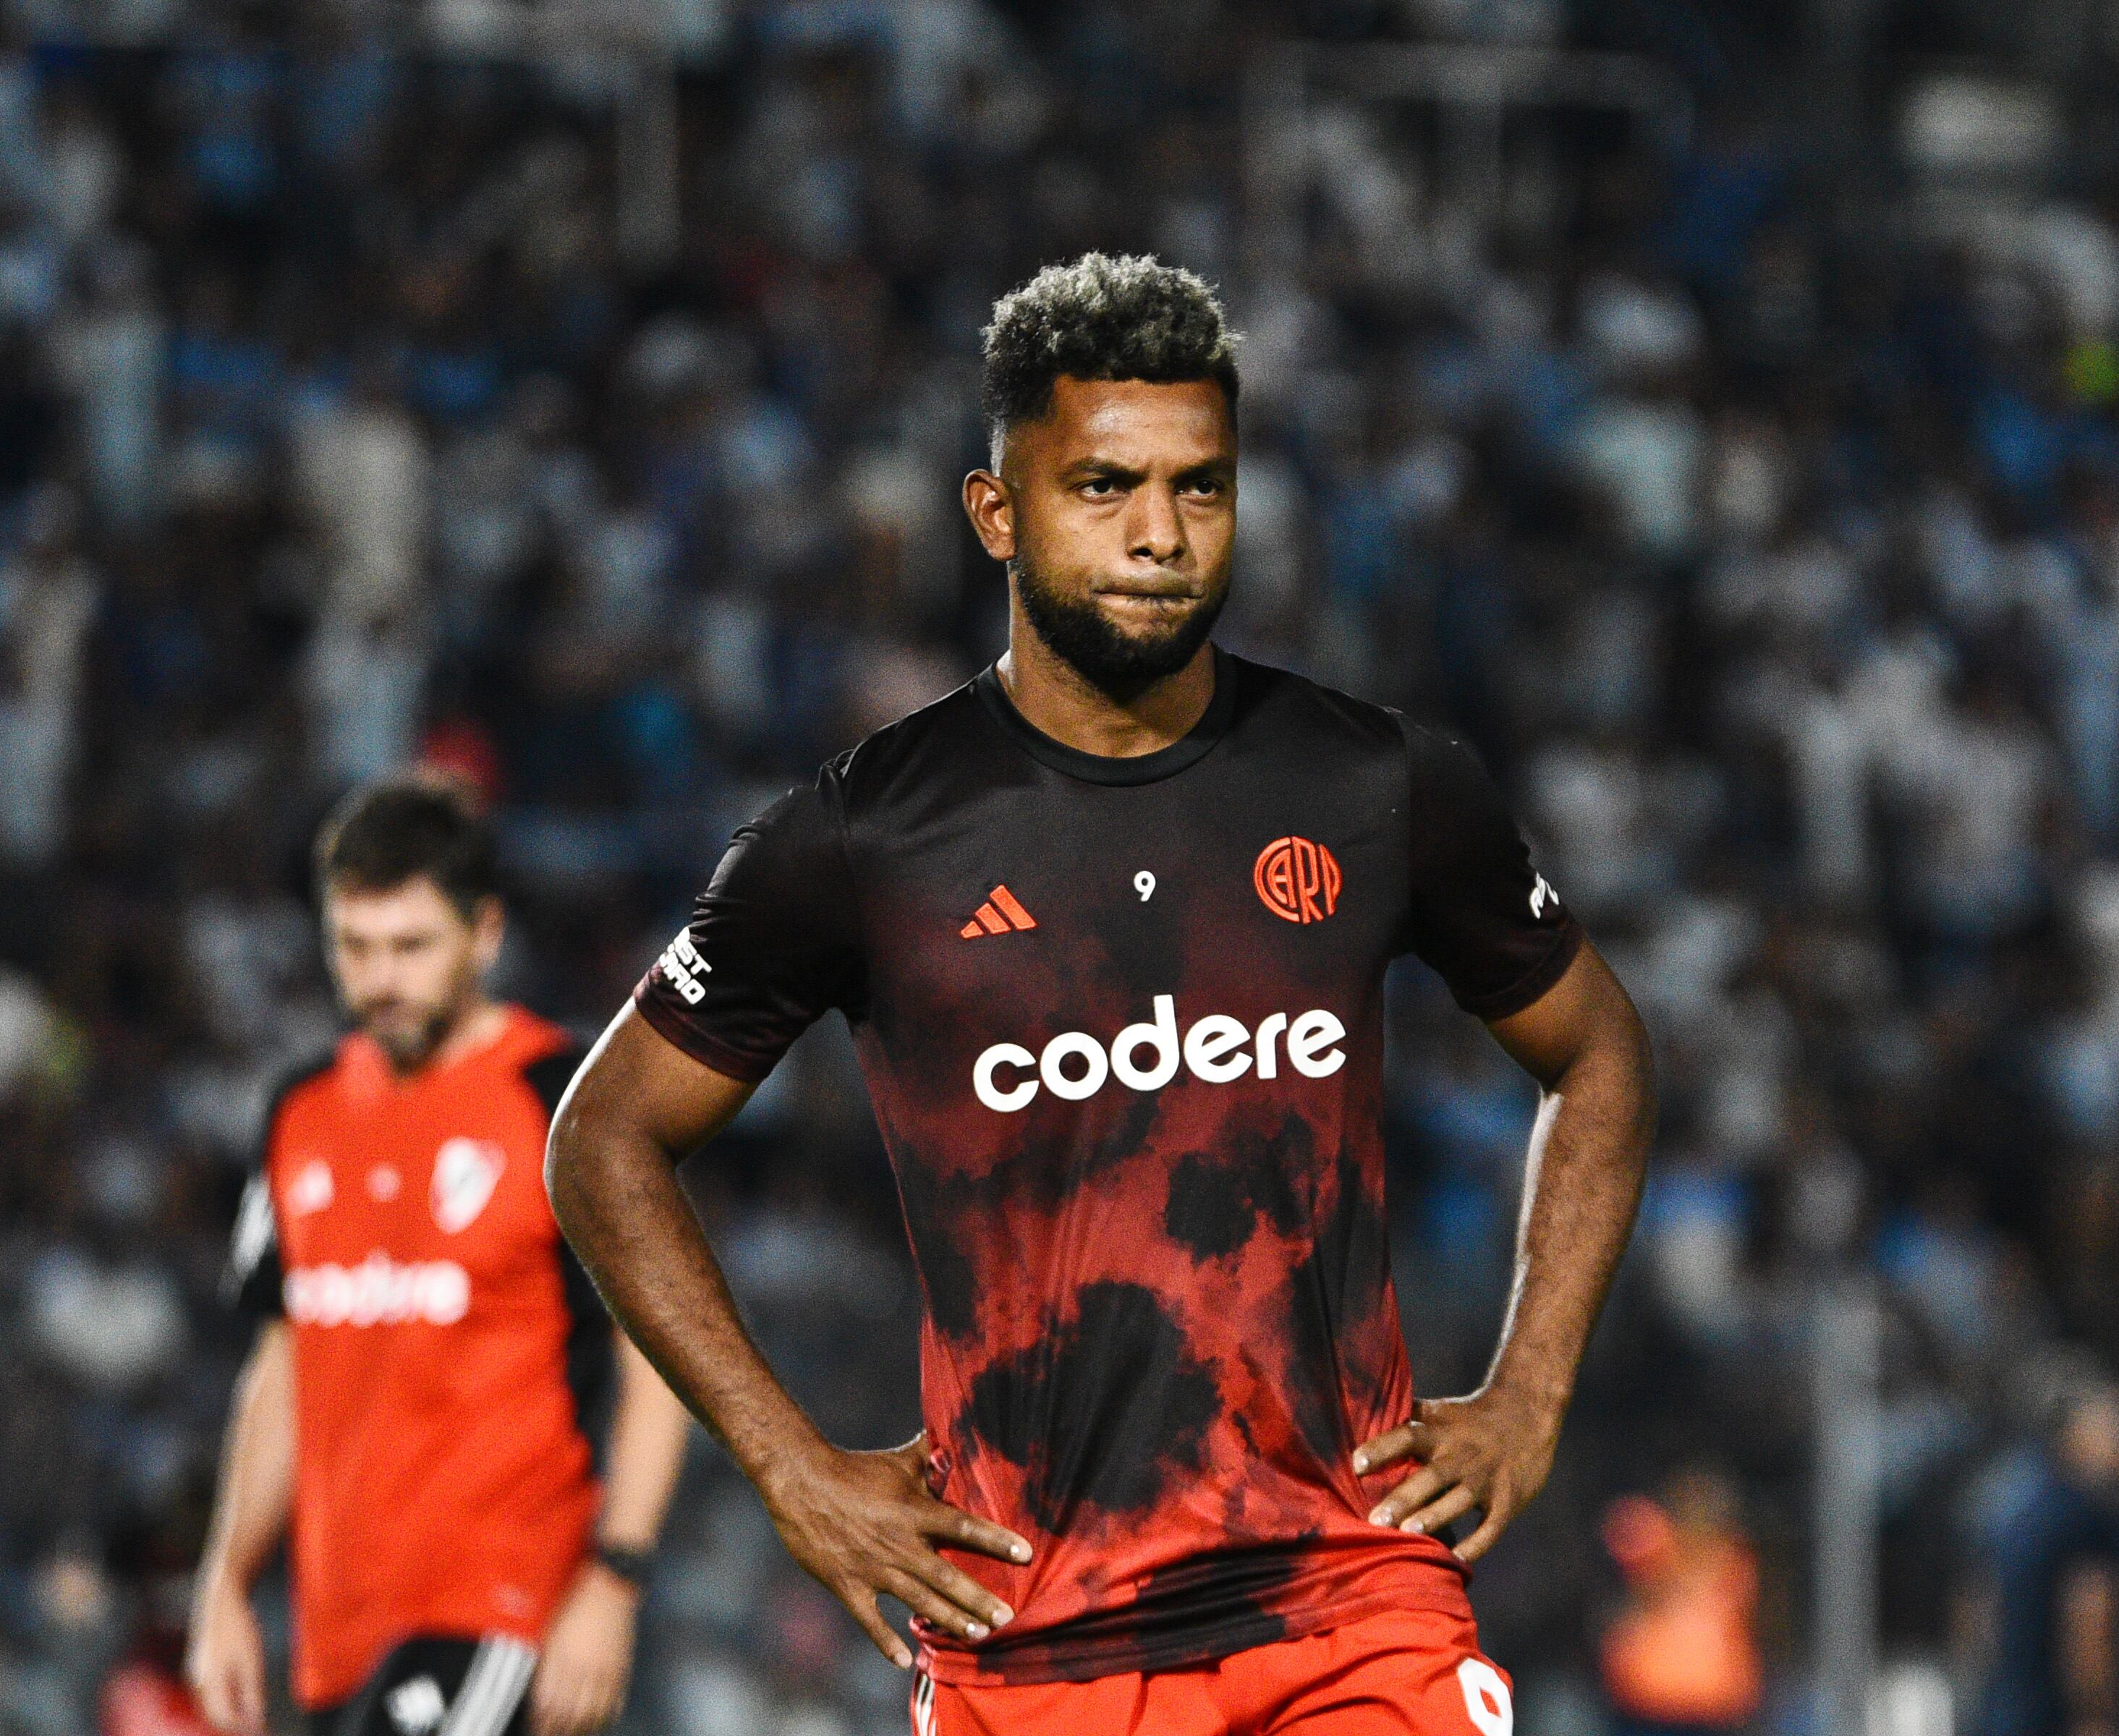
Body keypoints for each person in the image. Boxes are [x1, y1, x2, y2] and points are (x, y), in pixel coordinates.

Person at [547, 253, 1657, 1734]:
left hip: (1352, 1607)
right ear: (997, 512)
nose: (1159, 535)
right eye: (1103, 487)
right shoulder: (862, 838)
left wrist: (1529, 1392)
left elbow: (1599, 1051)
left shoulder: (1375, 783)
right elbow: (602, 1140)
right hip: (1029, 1641)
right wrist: (790, 1469)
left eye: (1201, 488)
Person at [186, 780, 692, 1736]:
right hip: (337, 1636)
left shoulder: (564, 1101)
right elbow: (283, 1369)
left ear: (485, 934)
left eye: (412, 947)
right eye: (356, 947)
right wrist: (227, 1579)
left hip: (505, 1610)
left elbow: (663, 1353)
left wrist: (616, 1578)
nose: (381, 979)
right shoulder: (301, 1113)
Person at [1966, 1375, 2119, 1736]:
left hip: (2003, 1702)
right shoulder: (2085, 1514)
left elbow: (1980, 1611)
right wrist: (2095, 1712)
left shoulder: (2012, 1504)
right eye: (2108, 1427)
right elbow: (2087, 1618)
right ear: (2074, 1434)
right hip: (2052, 1711)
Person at [1597, 1468, 1764, 1736]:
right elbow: (1624, 1531)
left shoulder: (1735, 1562)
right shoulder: (1653, 1547)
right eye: (1692, 1504)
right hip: (1647, 1706)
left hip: (1712, 1709)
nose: (1701, 1514)